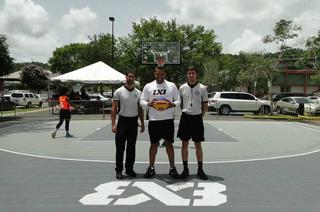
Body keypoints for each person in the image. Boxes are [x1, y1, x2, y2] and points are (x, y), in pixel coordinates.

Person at [140, 66, 181, 178]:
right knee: (154, 144)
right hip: (154, 120)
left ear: (165, 74)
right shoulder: (149, 86)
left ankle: (172, 168)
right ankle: (151, 168)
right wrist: (148, 104)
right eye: (158, 74)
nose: (160, 76)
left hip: (167, 119)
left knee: (169, 144)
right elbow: (141, 101)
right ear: (155, 74)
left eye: (162, 74)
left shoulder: (171, 86)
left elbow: (178, 100)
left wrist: (172, 104)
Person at [111, 71, 145, 179]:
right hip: (122, 122)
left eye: (132, 77)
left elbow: (140, 109)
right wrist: (113, 124)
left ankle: (129, 169)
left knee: (131, 148)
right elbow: (114, 109)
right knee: (120, 148)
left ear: (134, 78)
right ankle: (119, 170)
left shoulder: (138, 93)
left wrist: (142, 123)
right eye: (129, 76)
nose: (130, 78)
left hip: (133, 122)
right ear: (126, 78)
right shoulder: (118, 91)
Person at [177, 66, 209, 180]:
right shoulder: (182, 88)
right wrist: (186, 111)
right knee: (184, 144)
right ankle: (185, 169)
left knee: (198, 145)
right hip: (185, 117)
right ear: (187, 75)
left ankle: (200, 170)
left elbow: (205, 105)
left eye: (193, 73)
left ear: (196, 75)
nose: (191, 75)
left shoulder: (202, 88)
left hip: (197, 119)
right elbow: (180, 103)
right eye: (189, 73)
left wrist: (200, 115)